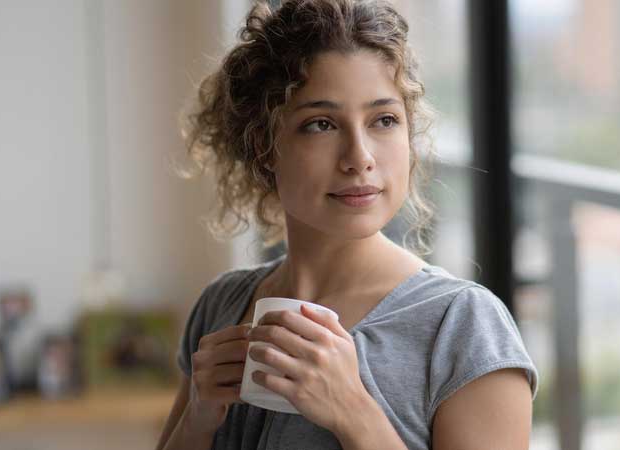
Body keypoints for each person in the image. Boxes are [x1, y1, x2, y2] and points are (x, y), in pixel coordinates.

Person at [157, 1, 538, 449]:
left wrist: (353, 411)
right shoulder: (222, 304)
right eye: (321, 124)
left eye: (384, 120)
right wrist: (198, 421)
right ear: (262, 147)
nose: (360, 157)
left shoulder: (463, 327)